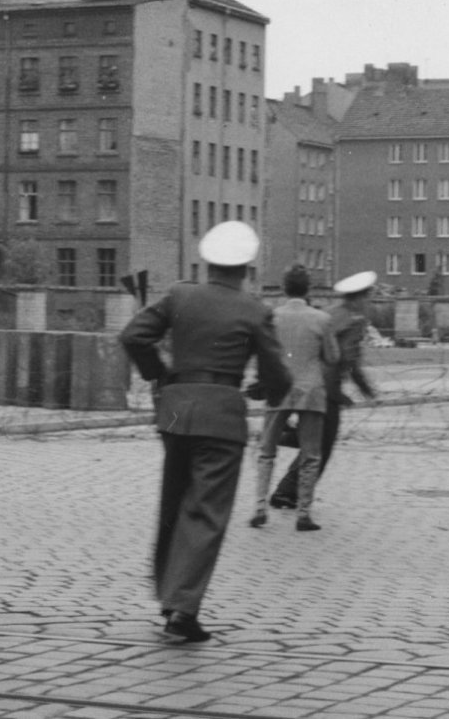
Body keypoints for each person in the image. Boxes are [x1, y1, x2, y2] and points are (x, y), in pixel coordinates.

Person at [120, 221, 291, 643]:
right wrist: (262, 389)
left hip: (175, 414)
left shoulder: (179, 294)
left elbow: (133, 335)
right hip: (220, 416)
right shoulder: (254, 309)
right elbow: (278, 377)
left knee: (174, 504)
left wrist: (160, 375)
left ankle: (166, 594)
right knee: (206, 513)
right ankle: (182, 610)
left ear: (208, 262)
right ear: (246, 267)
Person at [268, 270, 378, 510]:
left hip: (301, 382)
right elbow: (345, 359)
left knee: (314, 440)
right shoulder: (353, 321)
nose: (369, 301)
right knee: (321, 446)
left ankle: (287, 485)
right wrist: (349, 392)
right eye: (368, 296)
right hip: (324, 389)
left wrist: (361, 388)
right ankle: (287, 492)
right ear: (359, 297)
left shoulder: (332, 314)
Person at [250, 264, 339, 532]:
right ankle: (303, 513)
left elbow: (263, 355)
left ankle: (259, 507)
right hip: (311, 390)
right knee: (311, 453)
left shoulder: (271, 317)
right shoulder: (321, 319)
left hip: (279, 389)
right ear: (308, 289)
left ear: (283, 289)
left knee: (267, 451)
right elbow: (333, 357)